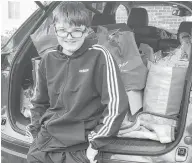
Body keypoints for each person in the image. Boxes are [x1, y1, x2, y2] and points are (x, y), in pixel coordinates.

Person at [27, 2, 129, 163]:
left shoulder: (100, 55)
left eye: (76, 31)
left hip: (80, 145)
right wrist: (35, 135)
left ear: (86, 31)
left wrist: (94, 145)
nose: (69, 37)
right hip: (46, 141)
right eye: (63, 31)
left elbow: (116, 105)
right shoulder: (48, 58)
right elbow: (39, 102)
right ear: (55, 30)